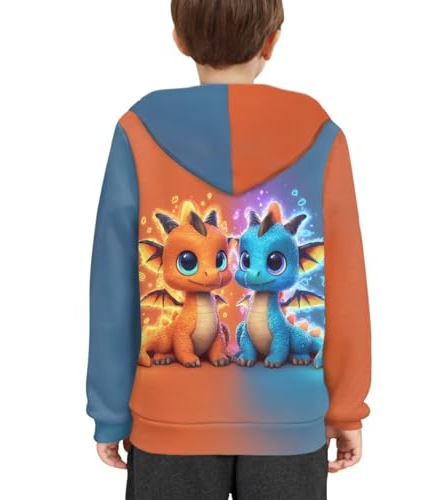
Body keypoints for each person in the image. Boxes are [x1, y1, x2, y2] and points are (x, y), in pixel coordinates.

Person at [86, 1, 372, 498]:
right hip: (287, 421)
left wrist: (110, 410)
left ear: (179, 39)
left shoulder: (139, 130)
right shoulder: (319, 134)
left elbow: (113, 285)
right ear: (271, 41)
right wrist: (347, 407)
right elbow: (345, 281)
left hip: (170, 420)